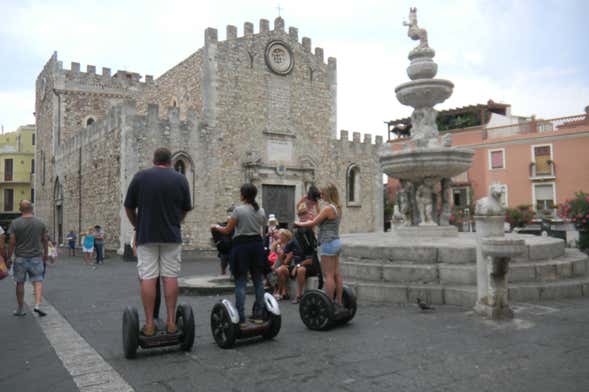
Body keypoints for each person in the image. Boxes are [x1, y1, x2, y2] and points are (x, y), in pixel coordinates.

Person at [124, 147, 192, 336]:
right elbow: (186, 208)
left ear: (154, 160)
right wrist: (176, 221)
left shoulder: (141, 177)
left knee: (148, 277)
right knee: (170, 276)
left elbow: (128, 206)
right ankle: (171, 322)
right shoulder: (180, 179)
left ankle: (149, 324)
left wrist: (137, 225)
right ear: (170, 161)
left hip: (147, 235)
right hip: (171, 235)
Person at [211, 183, 266, 327]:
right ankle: (258, 314)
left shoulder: (238, 210)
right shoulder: (261, 211)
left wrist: (216, 227)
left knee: (240, 282)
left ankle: (241, 318)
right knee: (258, 281)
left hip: (242, 246)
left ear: (243, 195)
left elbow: (227, 230)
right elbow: (261, 228)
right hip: (257, 245)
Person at [294, 183, 344, 308]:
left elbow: (313, 223)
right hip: (336, 242)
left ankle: (329, 303)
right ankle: (339, 302)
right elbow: (321, 219)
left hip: (327, 243)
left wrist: (298, 223)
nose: (321, 196)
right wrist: (315, 207)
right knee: (337, 273)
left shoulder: (328, 209)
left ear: (328, 194)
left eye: (322, 193)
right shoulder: (337, 208)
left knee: (329, 275)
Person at [8, 200, 48, 317]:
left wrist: (9, 257)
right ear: (32, 208)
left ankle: (20, 308)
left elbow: (12, 242)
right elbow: (45, 239)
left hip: (20, 258)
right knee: (38, 280)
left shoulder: (15, 223)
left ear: (20, 210)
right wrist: (45, 254)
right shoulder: (40, 223)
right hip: (36, 257)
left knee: (20, 283)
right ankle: (37, 305)